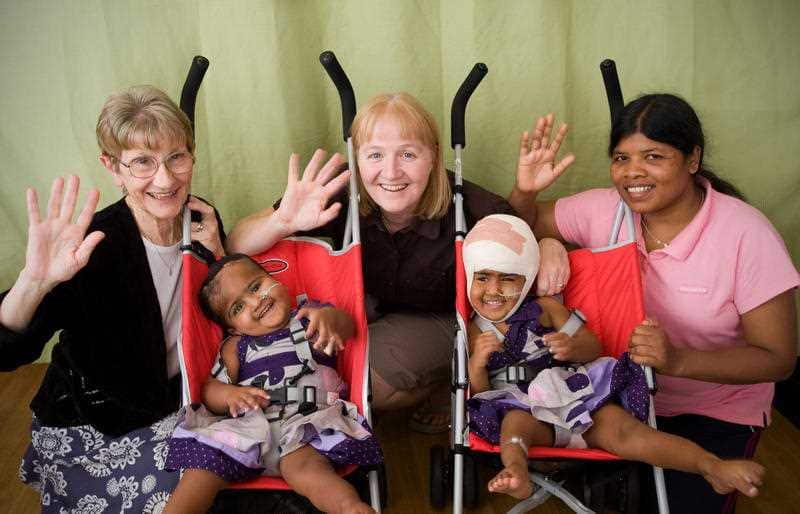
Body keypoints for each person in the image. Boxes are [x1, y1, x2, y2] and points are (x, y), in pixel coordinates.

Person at [509, 94, 799, 513]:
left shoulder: (746, 235)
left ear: (692, 159)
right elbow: (513, 229)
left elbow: (778, 359)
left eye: (653, 156)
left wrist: (678, 361)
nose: (632, 173)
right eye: (621, 158)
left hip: (712, 411)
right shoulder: (606, 210)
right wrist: (539, 221)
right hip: (616, 400)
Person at [226, 92, 569, 433]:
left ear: (433, 156)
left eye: (408, 153)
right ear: (357, 159)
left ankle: (444, 384)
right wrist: (282, 221)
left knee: (361, 380)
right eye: (375, 155)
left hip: (443, 316)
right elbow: (237, 242)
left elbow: (514, 236)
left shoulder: (467, 202)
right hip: (370, 305)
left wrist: (547, 242)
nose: (390, 171)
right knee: (317, 351)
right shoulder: (341, 190)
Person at [0, 86, 225, 512]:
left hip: (171, 404)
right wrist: (33, 282)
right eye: (142, 162)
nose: (165, 179)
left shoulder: (199, 219)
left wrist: (218, 258)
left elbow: (216, 312)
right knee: (206, 474)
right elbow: (11, 351)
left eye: (177, 157)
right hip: (93, 426)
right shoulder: (90, 245)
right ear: (113, 168)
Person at [463, 214, 765, 502]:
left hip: (579, 398)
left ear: (527, 278)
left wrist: (571, 347)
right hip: (526, 411)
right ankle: (517, 470)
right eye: (483, 278)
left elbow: (592, 346)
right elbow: (481, 393)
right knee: (513, 426)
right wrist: (477, 363)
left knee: (629, 433)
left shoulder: (547, 309)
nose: (493, 290)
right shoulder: (476, 332)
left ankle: (710, 466)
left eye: (507, 279)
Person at [164, 253, 382, 514]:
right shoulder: (235, 346)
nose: (256, 301)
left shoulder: (308, 318)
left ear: (274, 279)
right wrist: (230, 395)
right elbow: (210, 388)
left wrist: (331, 319)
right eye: (238, 308)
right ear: (233, 328)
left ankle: (350, 508)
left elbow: (347, 328)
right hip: (249, 428)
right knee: (204, 465)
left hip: (306, 421)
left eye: (256, 286)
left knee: (303, 468)